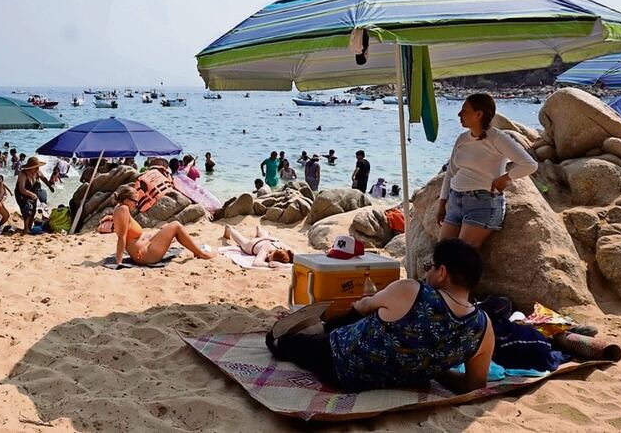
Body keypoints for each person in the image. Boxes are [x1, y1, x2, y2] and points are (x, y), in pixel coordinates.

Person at [266, 239, 494, 393]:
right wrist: (435, 369)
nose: (427, 272)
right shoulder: (484, 328)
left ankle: (316, 330)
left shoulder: (412, 291)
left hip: (343, 366)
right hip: (407, 381)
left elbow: (362, 307)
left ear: (442, 272)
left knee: (277, 341)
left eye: (430, 266)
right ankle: (319, 330)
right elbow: (474, 385)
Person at [437, 93, 538, 249]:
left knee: (461, 257)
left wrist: (505, 179)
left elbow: (529, 164)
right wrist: (441, 203)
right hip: (455, 202)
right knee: (441, 253)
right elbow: (451, 172)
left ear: (479, 114)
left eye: (464, 111)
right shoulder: (462, 139)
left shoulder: (498, 138)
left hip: (483, 204)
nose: (459, 114)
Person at [111, 185, 214, 267]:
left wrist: (150, 236)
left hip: (142, 250)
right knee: (176, 225)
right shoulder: (123, 210)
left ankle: (196, 250)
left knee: (162, 229)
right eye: (136, 201)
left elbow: (127, 234)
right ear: (126, 201)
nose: (137, 204)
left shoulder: (119, 208)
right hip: (144, 255)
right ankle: (200, 254)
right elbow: (122, 237)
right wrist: (119, 262)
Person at [223, 224, 294, 268]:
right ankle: (229, 228)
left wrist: (283, 265)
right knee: (242, 241)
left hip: (268, 239)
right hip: (252, 244)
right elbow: (256, 263)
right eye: (270, 256)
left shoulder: (283, 247)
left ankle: (259, 229)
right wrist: (269, 264)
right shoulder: (266, 251)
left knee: (264, 236)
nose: (268, 256)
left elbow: (297, 256)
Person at [15, 157, 53, 233]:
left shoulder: (37, 171)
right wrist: (30, 194)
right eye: (35, 167)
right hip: (21, 194)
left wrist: (49, 186)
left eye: (37, 167)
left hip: (33, 193)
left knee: (33, 210)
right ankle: (26, 228)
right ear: (30, 168)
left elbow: (44, 178)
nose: (37, 169)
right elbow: (22, 189)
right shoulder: (23, 174)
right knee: (27, 208)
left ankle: (29, 227)